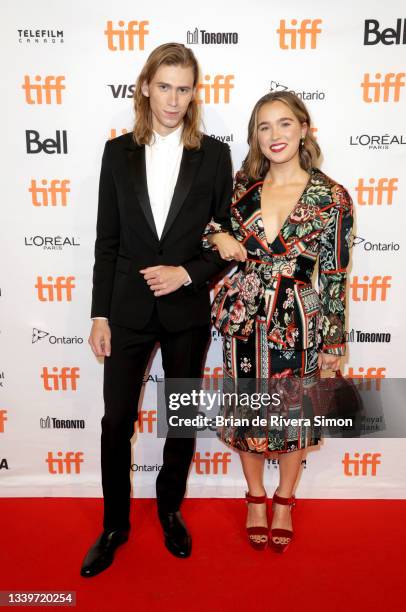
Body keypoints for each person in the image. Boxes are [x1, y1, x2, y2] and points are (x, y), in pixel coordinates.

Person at [80, 43, 233, 577]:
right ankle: (115, 524)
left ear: (195, 93)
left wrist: (186, 273)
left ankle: (169, 509)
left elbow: (222, 241)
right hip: (124, 309)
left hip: (187, 308)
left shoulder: (214, 156)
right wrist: (99, 314)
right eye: (164, 86)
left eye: (184, 88)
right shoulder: (116, 152)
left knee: (182, 418)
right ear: (145, 87)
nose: (173, 99)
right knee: (115, 421)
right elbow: (107, 241)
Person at [202, 90, 353, 553]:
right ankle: (254, 498)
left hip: (299, 322)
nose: (275, 135)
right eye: (264, 127)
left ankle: (285, 500)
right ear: (255, 137)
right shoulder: (240, 188)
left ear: (304, 128)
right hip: (245, 319)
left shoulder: (332, 197)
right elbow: (205, 226)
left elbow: (334, 274)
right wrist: (221, 237)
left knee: (295, 415)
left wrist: (333, 342)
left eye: (284, 124)